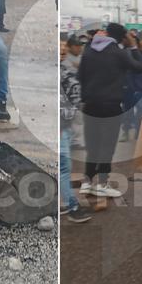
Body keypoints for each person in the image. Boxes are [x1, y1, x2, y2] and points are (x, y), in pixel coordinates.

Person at [76, 24, 142, 198]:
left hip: (90, 104)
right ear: (122, 37)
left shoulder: (89, 50)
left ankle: (87, 182)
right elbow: (139, 67)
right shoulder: (118, 53)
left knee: (92, 145)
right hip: (111, 105)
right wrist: (133, 46)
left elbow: (80, 76)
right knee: (107, 145)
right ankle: (103, 183)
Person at [60, 39, 92, 223]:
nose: (62, 50)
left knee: (63, 166)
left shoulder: (65, 71)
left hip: (63, 126)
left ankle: (67, 201)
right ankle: (72, 206)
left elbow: (75, 95)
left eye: (63, 48)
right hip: (60, 127)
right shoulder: (63, 72)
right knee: (64, 166)